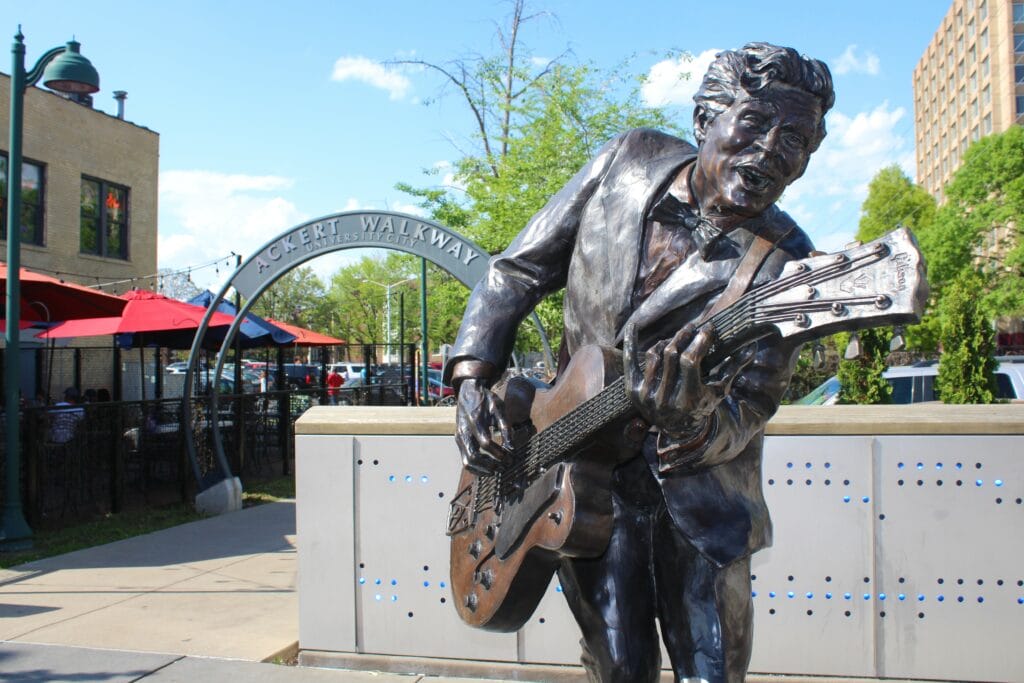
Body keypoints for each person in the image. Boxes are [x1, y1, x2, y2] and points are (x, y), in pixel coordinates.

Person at [444, 43, 834, 683]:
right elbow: (515, 272)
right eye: (756, 124)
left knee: (712, 674)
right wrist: (472, 379)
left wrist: (694, 423)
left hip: (701, 505)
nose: (771, 151)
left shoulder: (788, 262)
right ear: (707, 118)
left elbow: (754, 403)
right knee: (618, 669)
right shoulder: (627, 162)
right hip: (576, 480)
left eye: (794, 140)